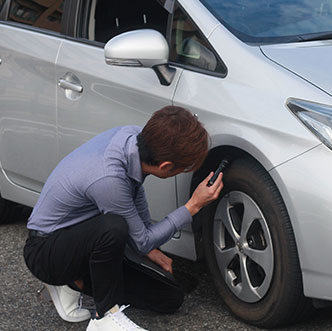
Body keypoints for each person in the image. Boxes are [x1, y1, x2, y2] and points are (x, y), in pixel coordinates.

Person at [23, 106, 224, 331]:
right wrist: (193, 206)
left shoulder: (134, 138)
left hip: (84, 241)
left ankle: (73, 282)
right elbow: (140, 239)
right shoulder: (109, 178)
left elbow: (138, 215)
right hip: (47, 252)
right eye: (183, 169)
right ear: (166, 167)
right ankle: (105, 317)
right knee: (114, 227)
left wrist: (148, 246)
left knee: (169, 297)